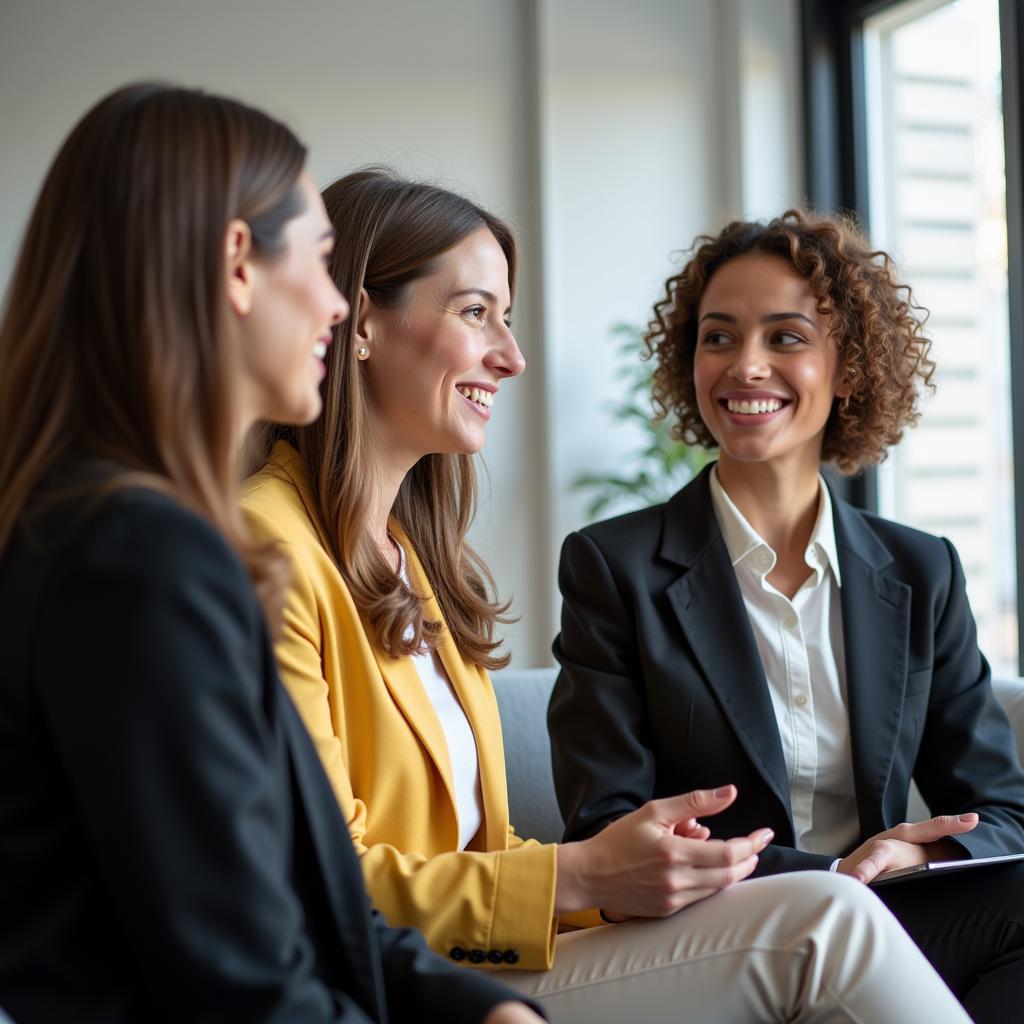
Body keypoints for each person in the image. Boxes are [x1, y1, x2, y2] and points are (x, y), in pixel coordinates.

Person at [243, 171, 972, 1023]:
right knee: (827, 920)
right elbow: (315, 879)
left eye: (504, 319)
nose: (511, 355)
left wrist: (620, 880)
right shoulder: (267, 548)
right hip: (399, 982)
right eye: (477, 312)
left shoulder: (407, 559)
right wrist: (585, 872)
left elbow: (477, 850)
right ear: (360, 321)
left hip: (477, 953)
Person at [0, 83, 540, 1024]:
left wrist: (486, 1013)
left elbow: (298, 898)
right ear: (238, 265)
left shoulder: (129, 534)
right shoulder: (137, 558)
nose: (337, 304)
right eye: (326, 262)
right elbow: (238, 984)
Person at [548, 209, 1024, 1022]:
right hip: (714, 934)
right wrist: (836, 878)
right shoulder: (612, 566)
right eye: (719, 337)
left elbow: (1003, 812)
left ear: (849, 368)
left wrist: (919, 849)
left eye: (787, 337)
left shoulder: (922, 571)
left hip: (887, 920)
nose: (746, 366)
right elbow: (609, 825)